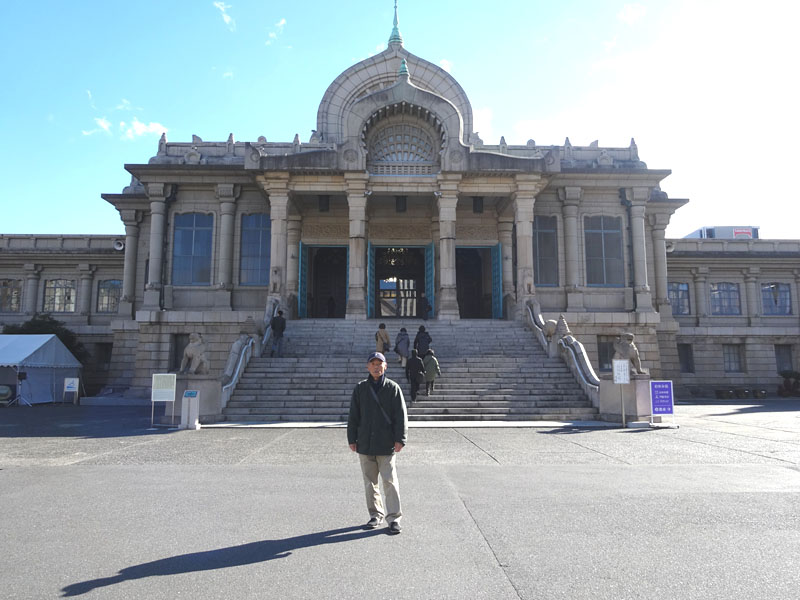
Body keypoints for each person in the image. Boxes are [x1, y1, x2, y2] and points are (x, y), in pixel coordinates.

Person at [347, 352, 408, 535]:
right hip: (365, 442)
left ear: (385, 366)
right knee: (369, 482)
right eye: (372, 363)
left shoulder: (393, 388)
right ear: (367, 367)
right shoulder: (360, 389)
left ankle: (394, 518)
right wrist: (352, 439)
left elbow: (401, 415)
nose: (376, 367)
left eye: (379, 364)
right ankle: (375, 514)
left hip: (386, 443)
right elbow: (353, 416)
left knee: (390, 481)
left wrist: (400, 439)